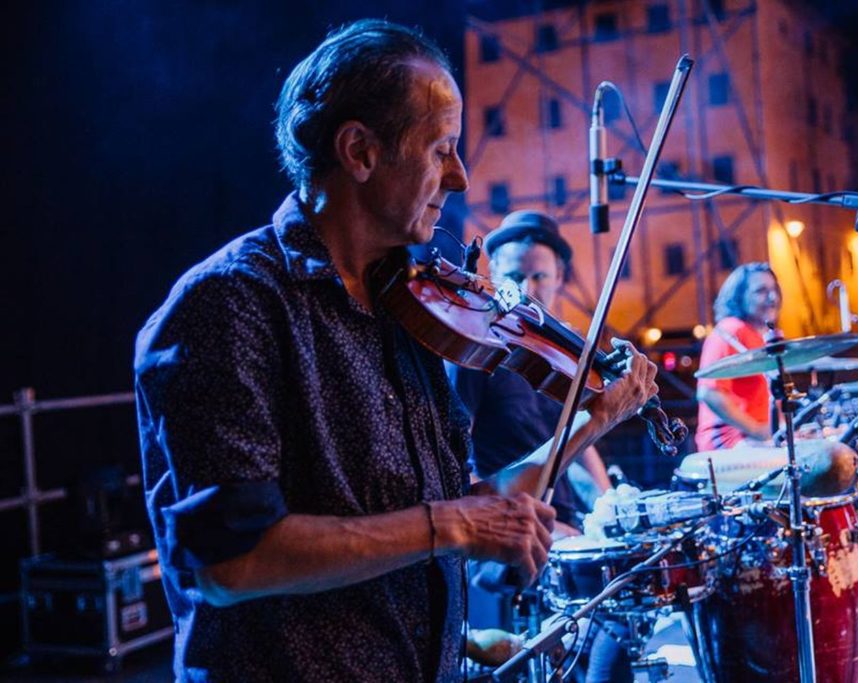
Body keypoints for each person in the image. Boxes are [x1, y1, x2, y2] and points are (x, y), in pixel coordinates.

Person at [133, 19, 658, 682]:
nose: (460, 177)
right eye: (441, 149)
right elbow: (231, 561)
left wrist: (592, 418)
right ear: (359, 151)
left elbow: (469, 507)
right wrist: (452, 525)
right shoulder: (231, 302)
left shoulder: (407, 308)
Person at [451, 210, 612, 536]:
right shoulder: (477, 350)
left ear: (559, 277)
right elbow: (455, 469)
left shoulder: (561, 355)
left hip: (563, 521)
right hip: (509, 527)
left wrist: (611, 505)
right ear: (493, 273)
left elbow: (575, 440)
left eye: (539, 277)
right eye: (514, 276)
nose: (526, 289)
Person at [694, 262, 781, 451]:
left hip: (759, 438)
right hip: (728, 441)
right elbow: (709, 392)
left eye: (774, 289)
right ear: (740, 296)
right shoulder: (731, 331)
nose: (772, 297)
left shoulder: (761, 334)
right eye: (761, 291)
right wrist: (757, 430)